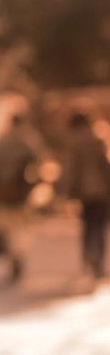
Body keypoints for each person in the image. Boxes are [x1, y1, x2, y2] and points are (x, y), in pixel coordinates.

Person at [0, 113, 42, 282]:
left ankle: (13, 258)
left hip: (2, 194)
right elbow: (38, 165)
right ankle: (18, 256)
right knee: (21, 227)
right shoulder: (28, 141)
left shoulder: (1, 142)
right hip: (21, 193)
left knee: (8, 228)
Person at [64, 111, 110, 280]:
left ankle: (88, 259)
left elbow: (71, 171)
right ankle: (97, 262)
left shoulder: (74, 144)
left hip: (84, 193)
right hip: (101, 192)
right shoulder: (98, 139)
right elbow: (106, 167)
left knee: (87, 227)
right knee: (99, 227)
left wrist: (68, 192)